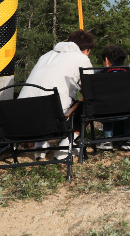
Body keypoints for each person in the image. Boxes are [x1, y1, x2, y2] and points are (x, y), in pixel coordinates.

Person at [19, 29, 94, 160]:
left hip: (25, 118)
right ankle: (65, 147)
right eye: (89, 52)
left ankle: (40, 145)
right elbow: (90, 89)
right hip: (53, 118)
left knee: (43, 99)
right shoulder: (81, 58)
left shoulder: (45, 56)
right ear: (86, 50)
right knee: (89, 105)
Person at [96, 45, 130, 151]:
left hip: (106, 111)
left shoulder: (98, 75)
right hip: (128, 110)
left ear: (106, 60)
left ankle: (107, 140)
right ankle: (128, 139)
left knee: (107, 105)